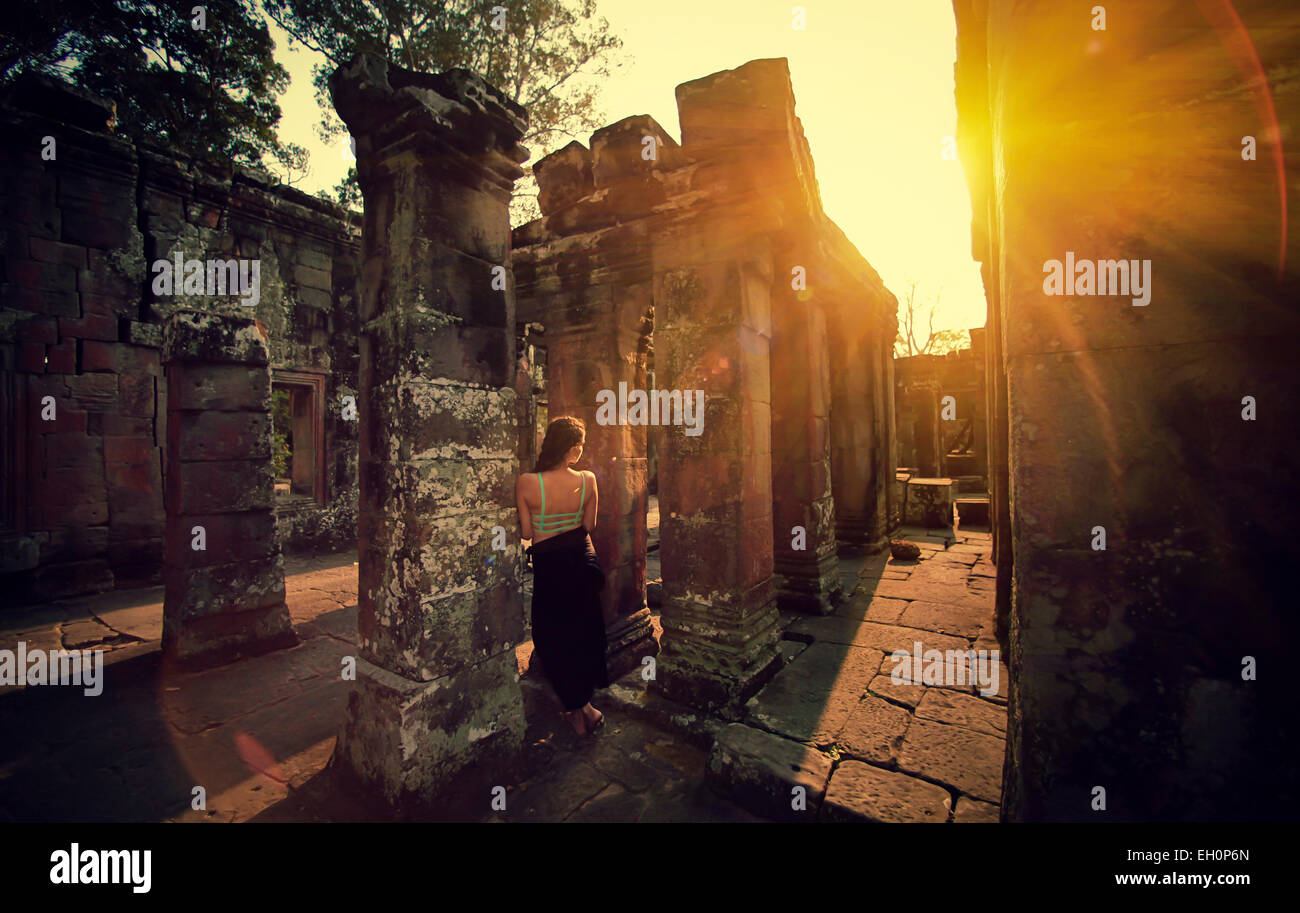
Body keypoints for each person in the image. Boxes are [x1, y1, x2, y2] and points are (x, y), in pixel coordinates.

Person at [516, 416, 608, 736]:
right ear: (571, 449)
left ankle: (576, 709)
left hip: (550, 567)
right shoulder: (588, 480)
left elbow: (527, 531)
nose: (582, 450)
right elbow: (589, 525)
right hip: (581, 564)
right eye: (581, 445)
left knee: (552, 637)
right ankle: (586, 708)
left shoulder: (528, 482)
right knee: (583, 634)